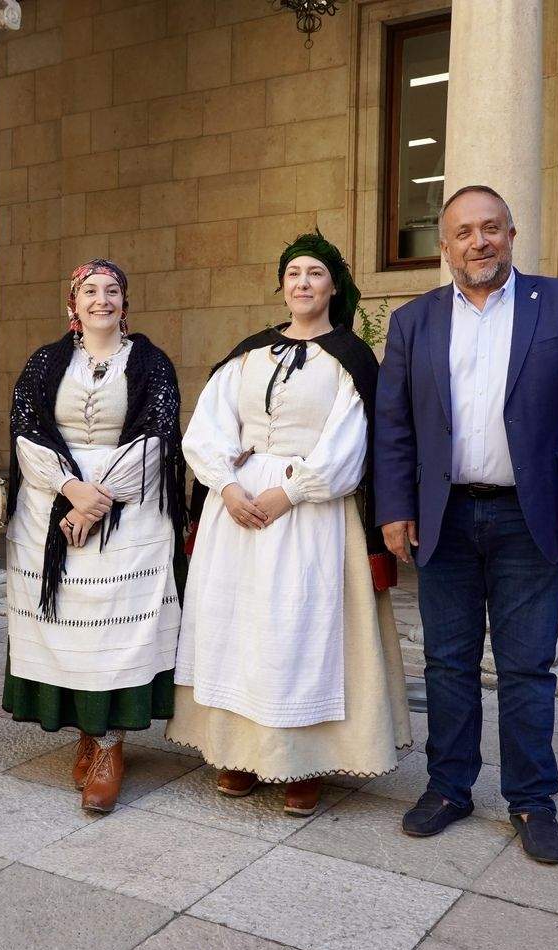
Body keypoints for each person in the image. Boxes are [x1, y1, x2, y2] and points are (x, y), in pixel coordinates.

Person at [374, 185, 558, 864]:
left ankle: (532, 801)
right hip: (443, 519)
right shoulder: (415, 321)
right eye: (463, 232)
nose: (478, 242)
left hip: (529, 516)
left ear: (512, 234)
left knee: (526, 666)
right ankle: (450, 788)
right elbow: (392, 425)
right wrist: (394, 508)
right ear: (444, 246)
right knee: (448, 663)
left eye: (491, 229)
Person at [169, 232, 411, 817]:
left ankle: (299, 759)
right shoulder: (249, 353)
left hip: (310, 515)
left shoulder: (350, 358)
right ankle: (236, 749)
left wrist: (291, 491)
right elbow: (208, 427)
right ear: (282, 284)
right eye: (294, 272)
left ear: (334, 287)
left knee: (298, 629)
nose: (303, 282)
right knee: (237, 625)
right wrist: (226, 486)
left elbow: (351, 442)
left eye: (315, 273)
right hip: (237, 512)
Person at [3, 259, 186, 813]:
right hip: (50, 510)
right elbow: (25, 430)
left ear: (124, 303)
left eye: (111, 291)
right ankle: (86, 732)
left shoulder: (151, 362)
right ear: (73, 303)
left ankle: (111, 747)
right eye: (90, 291)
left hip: (130, 515)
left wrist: (97, 499)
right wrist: (70, 489)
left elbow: (159, 435)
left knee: (116, 636)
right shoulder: (45, 362)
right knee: (69, 632)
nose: (101, 299)